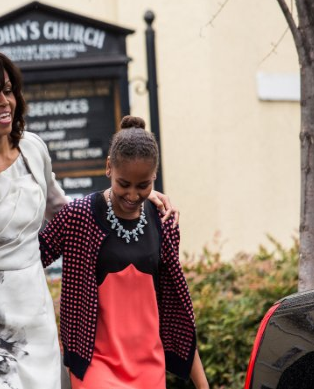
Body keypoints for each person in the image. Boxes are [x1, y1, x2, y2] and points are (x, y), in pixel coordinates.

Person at [0, 50, 178, 389]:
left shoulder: (33, 150)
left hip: (34, 323)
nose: (4, 102)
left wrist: (134, 201)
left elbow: (71, 213)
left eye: (8, 90)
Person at [39, 116, 208, 388]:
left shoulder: (163, 221)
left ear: (154, 176)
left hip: (150, 367)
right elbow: (32, 257)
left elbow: (173, 305)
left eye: (143, 185)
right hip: (95, 364)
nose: (132, 194)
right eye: (124, 183)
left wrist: (202, 383)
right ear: (108, 167)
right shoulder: (78, 217)